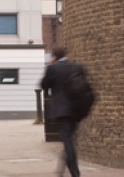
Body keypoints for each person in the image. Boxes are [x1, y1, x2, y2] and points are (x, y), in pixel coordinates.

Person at [40, 47, 82, 177]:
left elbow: (43, 85)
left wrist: (50, 67)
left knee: (67, 140)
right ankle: (62, 170)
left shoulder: (53, 68)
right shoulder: (75, 67)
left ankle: (75, 172)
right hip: (77, 110)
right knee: (69, 139)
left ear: (54, 56)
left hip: (62, 110)